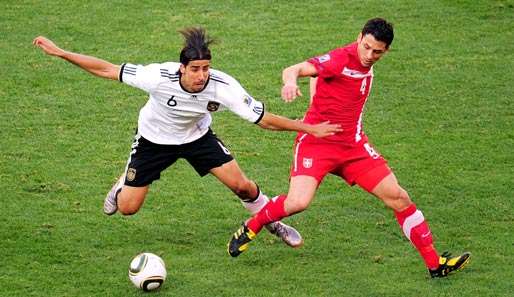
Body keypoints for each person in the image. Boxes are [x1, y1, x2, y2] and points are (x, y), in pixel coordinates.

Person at [33, 27, 342, 248]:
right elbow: (107, 70)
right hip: (153, 140)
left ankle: (272, 222)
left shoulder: (221, 86)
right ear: (182, 68)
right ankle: (123, 182)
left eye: (206, 68)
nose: (202, 75)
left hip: (196, 137)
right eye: (195, 69)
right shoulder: (158, 76)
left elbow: (263, 120)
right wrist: (61, 53)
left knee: (242, 185)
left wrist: (307, 128)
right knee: (128, 207)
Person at [228, 18, 470, 278]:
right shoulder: (340, 59)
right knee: (298, 202)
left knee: (399, 198)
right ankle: (253, 224)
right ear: (359, 38)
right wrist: (289, 83)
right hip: (317, 143)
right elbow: (295, 69)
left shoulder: (364, 62)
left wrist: (315, 100)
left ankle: (435, 265)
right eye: (366, 47)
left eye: (377, 51)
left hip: (353, 147)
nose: (369, 55)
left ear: (386, 50)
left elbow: (319, 78)